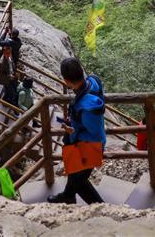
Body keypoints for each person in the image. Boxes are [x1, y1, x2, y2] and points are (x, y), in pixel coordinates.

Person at [48, 58, 105, 205]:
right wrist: (74, 121)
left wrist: (71, 130)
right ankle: (68, 196)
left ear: (67, 81)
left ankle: (104, 209)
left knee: (79, 182)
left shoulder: (85, 106)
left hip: (90, 146)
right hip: (93, 140)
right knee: (74, 171)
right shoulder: (93, 82)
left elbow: (91, 131)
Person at [0, 41, 19, 106]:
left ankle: (6, 100)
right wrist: (10, 76)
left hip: (11, 77)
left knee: (10, 91)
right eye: (7, 53)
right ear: (4, 52)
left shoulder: (10, 57)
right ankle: (6, 102)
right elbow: (0, 76)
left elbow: (12, 65)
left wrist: (14, 73)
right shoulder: (1, 64)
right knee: (11, 92)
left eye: (10, 52)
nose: (9, 54)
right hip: (6, 80)